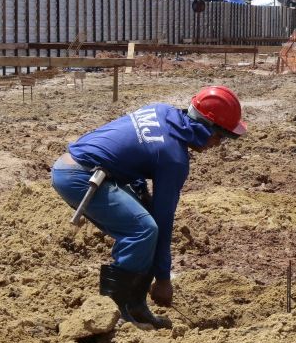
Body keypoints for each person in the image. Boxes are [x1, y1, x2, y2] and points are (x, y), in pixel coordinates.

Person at [51, 86, 247, 328]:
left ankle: (135, 306)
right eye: (220, 136)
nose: (217, 145)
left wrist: (141, 192)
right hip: (80, 176)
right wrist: (163, 279)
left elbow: (133, 150)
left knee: (144, 222)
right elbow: (164, 220)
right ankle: (114, 313)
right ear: (203, 127)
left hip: (78, 166)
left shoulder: (162, 111)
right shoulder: (173, 158)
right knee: (143, 230)